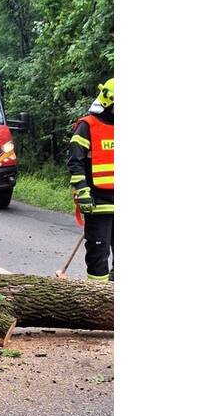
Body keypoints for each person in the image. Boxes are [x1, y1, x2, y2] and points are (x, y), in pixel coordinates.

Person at [67, 78, 114, 281]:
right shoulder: (87, 126)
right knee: (98, 257)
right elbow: (75, 162)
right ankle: (96, 300)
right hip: (98, 203)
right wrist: (83, 191)